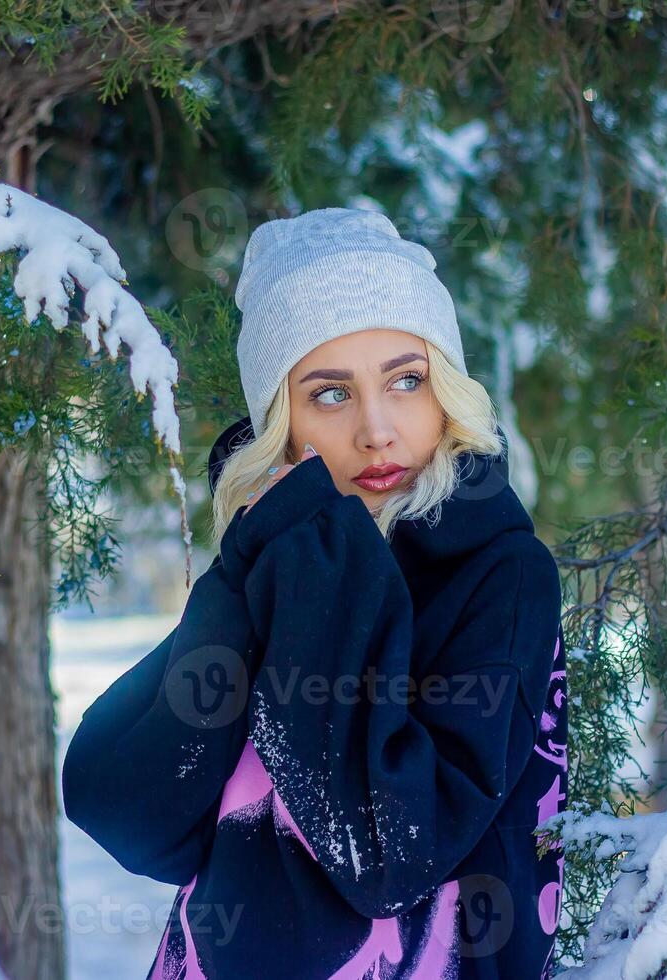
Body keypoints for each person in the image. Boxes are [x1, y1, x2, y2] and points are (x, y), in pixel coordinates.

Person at [61, 207, 568, 979]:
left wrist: (319, 576)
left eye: (406, 381)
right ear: (281, 423)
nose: (376, 429)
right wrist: (265, 561)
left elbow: (385, 856)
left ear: (446, 394)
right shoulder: (276, 558)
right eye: (329, 394)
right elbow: (128, 812)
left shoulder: (497, 574)